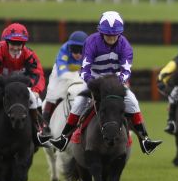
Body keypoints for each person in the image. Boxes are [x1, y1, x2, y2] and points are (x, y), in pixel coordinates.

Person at [49, 11, 162, 155]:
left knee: (133, 101)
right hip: (94, 80)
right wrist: (93, 84)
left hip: (116, 82)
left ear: (120, 33)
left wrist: (116, 84)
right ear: (101, 32)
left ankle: (145, 140)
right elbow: (84, 69)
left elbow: (126, 71)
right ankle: (64, 138)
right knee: (79, 102)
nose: (111, 38)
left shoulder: (125, 46)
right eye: (108, 35)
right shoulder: (91, 42)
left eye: (115, 35)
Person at [0, 23, 49, 149]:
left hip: (21, 85)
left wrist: (36, 89)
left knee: (35, 99)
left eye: (20, 44)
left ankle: (40, 132)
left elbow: (37, 74)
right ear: (6, 42)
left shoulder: (29, 54)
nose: (16, 47)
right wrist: (6, 82)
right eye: (13, 43)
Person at [41, 30, 88, 133]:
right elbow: (61, 67)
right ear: (69, 47)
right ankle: (45, 122)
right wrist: (71, 78)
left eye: (81, 51)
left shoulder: (90, 52)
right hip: (61, 72)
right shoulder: (64, 49)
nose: (78, 54)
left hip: (80, 73)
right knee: (54, 92)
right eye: (75, 50)